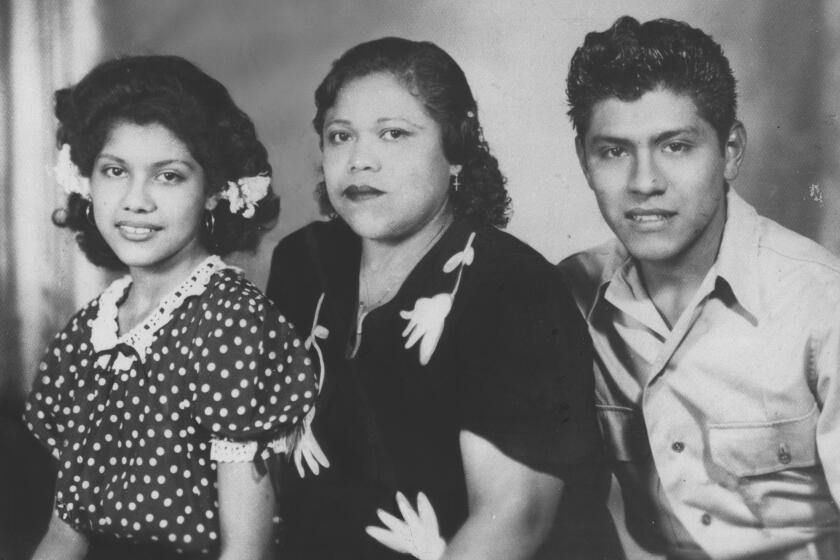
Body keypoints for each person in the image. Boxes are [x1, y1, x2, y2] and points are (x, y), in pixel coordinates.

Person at [266, 37, 607, 560]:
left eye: (394, 135)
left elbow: (514, 522)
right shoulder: (302, 263)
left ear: (456, 150)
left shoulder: (511, 287)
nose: (359, 160)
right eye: (340, 137)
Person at [558, 16, 840, 560]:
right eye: (614, 151)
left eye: (676, 146)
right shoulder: (568, 296)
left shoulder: (819, 301)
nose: (644, 182)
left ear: (731, 150)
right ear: (584, 161)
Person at [23, 55, 320, 560]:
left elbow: (246, 550)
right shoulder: (89, 332)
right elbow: (64, 533)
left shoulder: (231, 324)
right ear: (86, 182)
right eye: (115, 170)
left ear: (212, 192)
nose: (135, 201)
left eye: (168, 176)